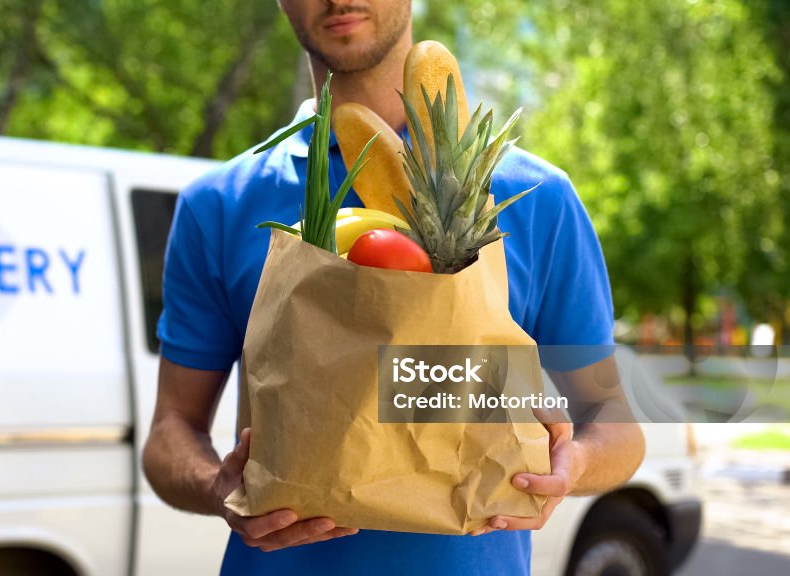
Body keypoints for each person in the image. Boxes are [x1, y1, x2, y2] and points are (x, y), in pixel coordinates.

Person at [141, 1, 646, 574]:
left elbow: (616, 428)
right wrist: (217, 487)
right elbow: (169, 433)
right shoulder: (219, 204)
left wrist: (571, 465)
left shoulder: (535, 197)